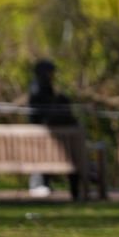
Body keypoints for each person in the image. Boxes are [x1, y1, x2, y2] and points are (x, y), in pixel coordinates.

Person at [26, 59, 79, 197]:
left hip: (44, 136)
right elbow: (40, 112)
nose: (53, 75)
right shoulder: (39, 88)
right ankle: (39, 183)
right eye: (51, 72)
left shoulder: (39, 87)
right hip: (44, 136)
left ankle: (43, 183)